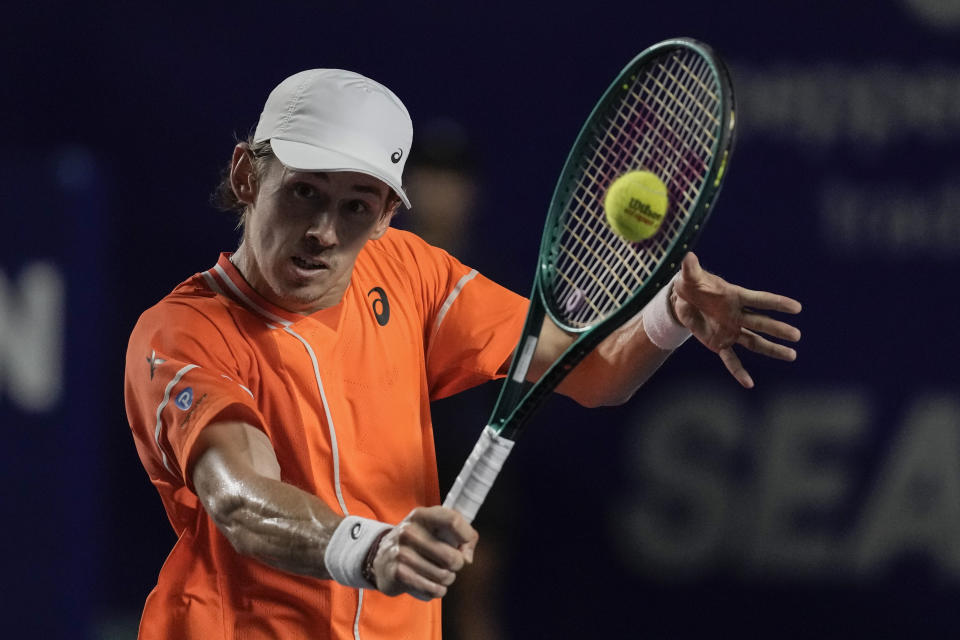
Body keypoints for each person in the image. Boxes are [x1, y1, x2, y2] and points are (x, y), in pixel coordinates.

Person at [124, 69, 801, 640]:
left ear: (389, 212)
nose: (325, 232)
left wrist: (668, 317)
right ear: (247, 175)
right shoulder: (184, 332)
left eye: (357, 206)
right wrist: (372, 547)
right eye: (304, 192)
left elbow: (594, 373)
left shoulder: (408, 273)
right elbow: (240, 499)